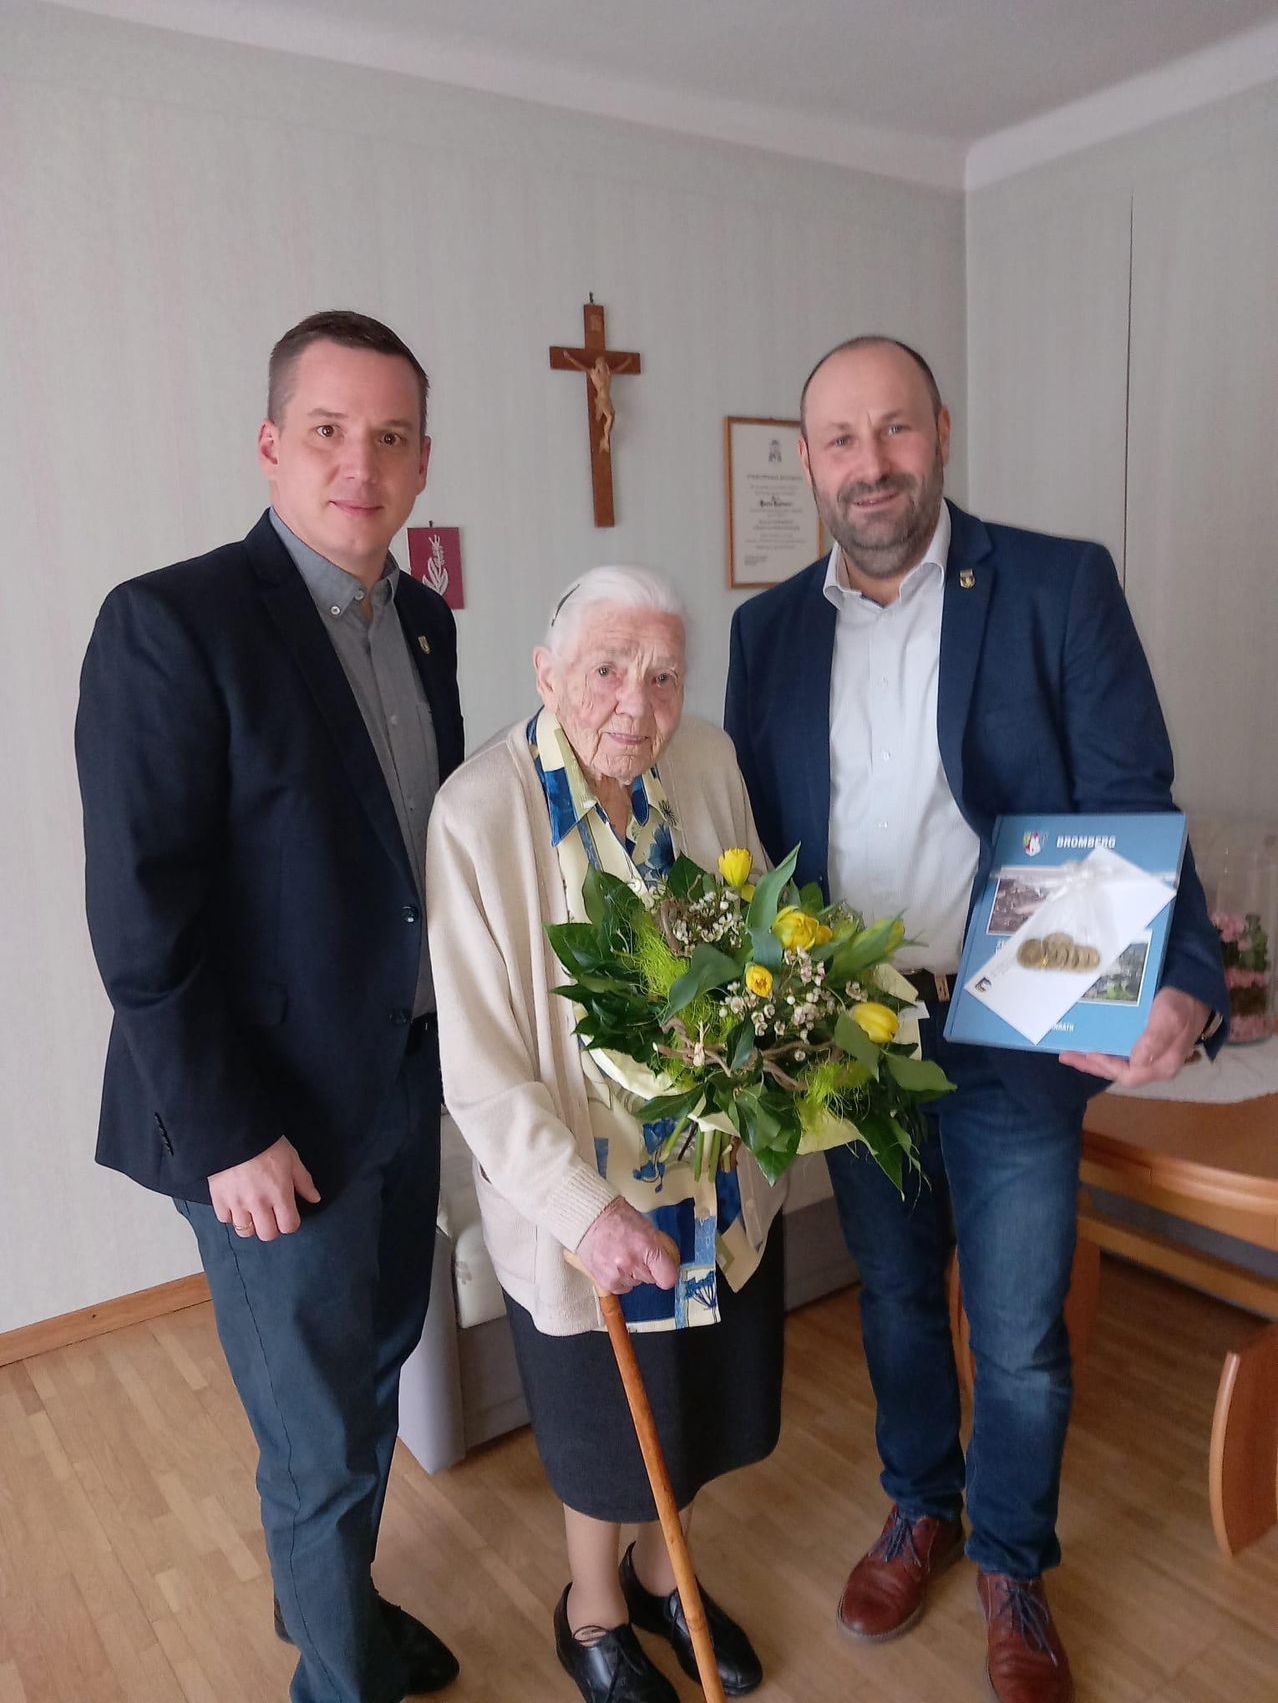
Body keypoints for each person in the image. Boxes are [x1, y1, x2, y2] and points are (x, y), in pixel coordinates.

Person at [724, 336, 1227, 1703]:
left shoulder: (1056, 584)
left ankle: (1011, 1558)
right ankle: (920, 1507)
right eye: (840, 438)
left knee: (1014, 1331)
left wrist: (1186, 981)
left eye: (894, 429)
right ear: (808, 458)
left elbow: (1130, 796)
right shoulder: (767, 634)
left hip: (1015, 1023)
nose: (870, 463)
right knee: (893, 1295)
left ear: (939, 431)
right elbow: (755, 849)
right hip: (857, 1037)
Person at [76, 310, 465, 1703]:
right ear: (269, 445)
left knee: (372, 1378)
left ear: (421, 463)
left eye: (391, 437)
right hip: (263, 1123)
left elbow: (413, 870)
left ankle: (342, 1614)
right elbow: (142, 920)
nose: (361, 464)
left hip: (399, 1080)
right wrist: (229, 1134)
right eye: (328, 430)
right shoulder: (172, 622)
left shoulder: (424, 623)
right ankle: (338, 1679)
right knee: (315, 1435)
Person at [426, 568, 784, 1703]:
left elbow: (760, 939)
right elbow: (482, 1076)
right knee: (604, 1437)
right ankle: (593, 1611)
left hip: (708, 1177)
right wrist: (586, 1214)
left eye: (665, 675)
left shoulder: (707, 763)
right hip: (583, 1198)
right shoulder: (478, 816)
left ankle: (663, 1574)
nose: (638, 702)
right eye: (607, 670)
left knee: (694, 1412)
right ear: (547, 676)